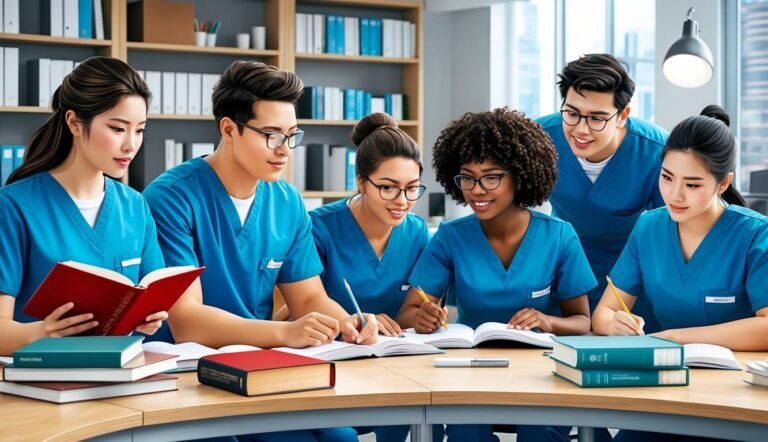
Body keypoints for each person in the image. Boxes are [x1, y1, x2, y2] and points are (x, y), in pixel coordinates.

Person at [142, 60, 376, 442]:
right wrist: (285, 334)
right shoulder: (171, 198)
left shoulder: (286, 201)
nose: (284, 150)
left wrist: (348, 323)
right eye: (271, 135)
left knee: (343, 438)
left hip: (262, 365)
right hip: (189, 373)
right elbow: (186, 321)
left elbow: (310, 297)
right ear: (228, 129)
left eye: (291, 135)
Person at [397, 108, 596, 442]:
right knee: (465, 433)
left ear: (519, 175)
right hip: (470, 374)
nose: (477, 190)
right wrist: (423, 318)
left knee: (542, 432)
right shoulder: (450, 237)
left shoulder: (559, 236)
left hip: (541, 374)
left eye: (491, 177)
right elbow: (407, 313)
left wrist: (548, 322)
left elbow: (582, 322)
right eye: (467, 178)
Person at [592, 105, 767, 442]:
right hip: (665, 392)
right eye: (667, 177)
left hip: (735, 399)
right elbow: (604, 312)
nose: (674, 194)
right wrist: (615, 324)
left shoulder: (755, 234)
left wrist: (678, 337)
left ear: (723, 183)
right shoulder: (649, 227)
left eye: (692, 184)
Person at [0, 57, 167, 356]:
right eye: (118, 128)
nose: (131, 144)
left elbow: (153, 297)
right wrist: (41, 332)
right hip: (42, 383)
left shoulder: (135, 206)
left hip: (122, 376)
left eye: (139, 130)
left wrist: (150, 318)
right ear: (75, 123)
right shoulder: (13, 207)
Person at [307, 112, 443, 442]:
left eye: (412, 189)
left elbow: (409, 312)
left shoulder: (417, 234)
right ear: (361, 181)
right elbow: (293, 308)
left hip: (394, 365)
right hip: (333, 363)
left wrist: (424, 316)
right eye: (388, 188)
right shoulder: (319, 227)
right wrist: (352, 321)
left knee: (431, 422)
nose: (402, 202)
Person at [537, 53, 668, 333]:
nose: (581, 130)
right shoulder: (538, 139)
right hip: (562, 274)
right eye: (572, 113)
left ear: (622, 116)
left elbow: (664, 232)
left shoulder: (657, 151)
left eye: (597, 118)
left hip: (628, 281)